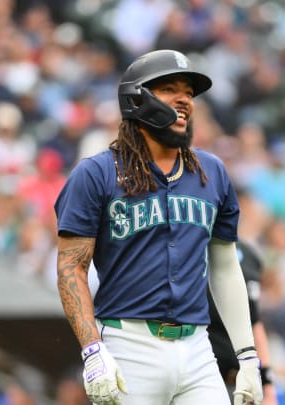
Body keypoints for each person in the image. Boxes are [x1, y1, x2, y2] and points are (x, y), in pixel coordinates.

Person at [54, 49, 262, 405]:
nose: (185, 100)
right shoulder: (96, 173)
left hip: (198, 348)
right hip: (129, 344)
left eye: (189, 92)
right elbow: (71, 266)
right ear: (137, 98)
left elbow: (225, 267)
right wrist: (92, 349)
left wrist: (247, 356)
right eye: (169, 89)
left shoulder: (213, 173)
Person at [207, 239, 277, 405]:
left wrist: (267, 386)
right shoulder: (192, 250)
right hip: (205, 379)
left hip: (242, 382)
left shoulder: (250, 256)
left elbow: (255, 323)